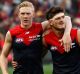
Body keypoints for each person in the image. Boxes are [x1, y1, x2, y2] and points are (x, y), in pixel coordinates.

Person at [0, 1, 72, 74]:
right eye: (22, 13)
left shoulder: (40, 27)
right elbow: (3, 55)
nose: (25, 16)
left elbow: (67, 18)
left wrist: (66, 34)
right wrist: (5, 72)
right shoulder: (11, 33)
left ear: (33, 14)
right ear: (18, 15)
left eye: (28, 13)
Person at [43, 6, 80, 74]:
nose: (62, 20)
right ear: (51, 22)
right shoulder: (46, 39)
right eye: (58, 18)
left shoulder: (77, 33)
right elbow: (38, 55)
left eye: (63, 17)